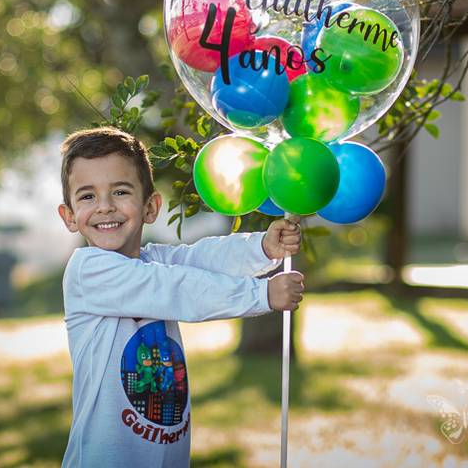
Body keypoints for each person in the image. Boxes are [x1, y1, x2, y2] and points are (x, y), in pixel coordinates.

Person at [57, 126, 304, 468]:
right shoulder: (88, 271)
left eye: (120, 191)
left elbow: (200, 259)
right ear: (69, 216)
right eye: (87, 196)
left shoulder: (153, 260)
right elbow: (176, 287)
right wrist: (260, 294)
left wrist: (262, 248)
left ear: (150, 207)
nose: (104, 207)